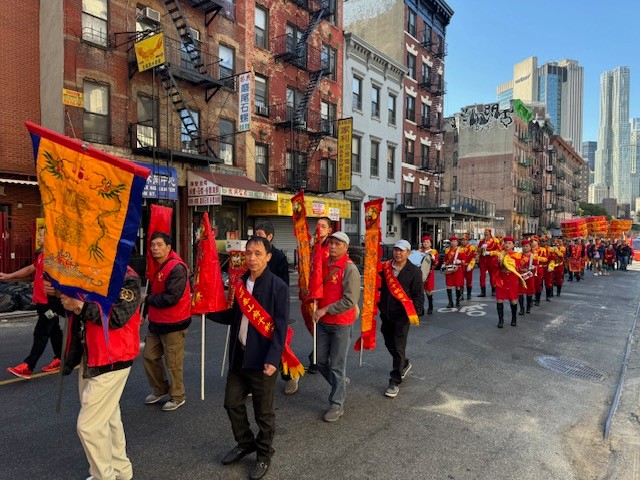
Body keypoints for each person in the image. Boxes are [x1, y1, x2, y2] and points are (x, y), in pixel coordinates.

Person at [208, 236, 289, 480]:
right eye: (249, 253)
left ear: (268, 257)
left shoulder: (277, 286)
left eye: (257, 253)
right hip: (239, 354)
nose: (252, 258)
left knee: (263, 413)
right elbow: (232, 315)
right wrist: (205, 309)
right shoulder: (240, 283)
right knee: (231, 403)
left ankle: (264, 454)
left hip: (262, 358)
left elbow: (281, 326)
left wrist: (273, 359)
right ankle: (246, 442)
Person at [60, 266, 142, 480]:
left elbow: (117, 317)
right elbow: (72, 313)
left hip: (113, 356)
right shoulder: (88, 270)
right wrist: (60, 294)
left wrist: (80, 305)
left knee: (88, 426)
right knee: (108, 418)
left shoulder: (127, 277)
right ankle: (121, 471)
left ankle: (103, 476)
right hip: (91, 355)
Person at [312, 231, 361, 423]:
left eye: (337, 244)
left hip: (341, 323)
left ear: (346, 247)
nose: (332, 247)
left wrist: (325, 309)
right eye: (331, 243)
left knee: (337, 365)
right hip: (324, 323)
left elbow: (350, 300)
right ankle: (339, 385)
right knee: (320, 361)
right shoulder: (324, 264)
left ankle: (337, 403)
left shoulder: (350, 269)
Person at [3, 226, 63, 378]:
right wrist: (9, 276)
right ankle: (61, 358)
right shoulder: (43, 255)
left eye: (41, 236)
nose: (38, 239)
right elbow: (31, 268)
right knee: (54, 331)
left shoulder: (55, 258)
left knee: (41, 333)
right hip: (42, 302)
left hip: (50, 303)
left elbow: (63, 279)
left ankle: (28, 366)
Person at [142, 232, 191, 411]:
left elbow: (171, 297)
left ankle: (178, 396)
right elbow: (153, 291)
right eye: (153, 245)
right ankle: (160, 389)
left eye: (159, 245)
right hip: (156, 322)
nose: (155, 248)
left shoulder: (176, 268)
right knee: (149, 356)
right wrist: (144, 311)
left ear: (169, 247)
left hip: (174, 323)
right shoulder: (156, 266)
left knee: (173, 362)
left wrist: (147, 299)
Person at [254, 221, 296, 395]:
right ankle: (255, 379)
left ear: (270, 237)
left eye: (261, 235)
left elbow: (284, 285)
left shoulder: (278, 257)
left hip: (272, 307)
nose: (257, 238)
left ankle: (290, 375)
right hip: (254, 307)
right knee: (254, 344)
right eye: (255, 234)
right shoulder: (251, 255)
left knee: (278, 345)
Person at [378, 240, 424, 398]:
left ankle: (394, 380)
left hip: (402, 316)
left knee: (398, 346)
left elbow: (418, 294)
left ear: (408, 253)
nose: (398, 253)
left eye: (402, 251)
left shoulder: (414, 271)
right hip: (386, 313)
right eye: (396, 250)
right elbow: (378, 286)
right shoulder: (385, 267)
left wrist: (415, 311)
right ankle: (403, 363)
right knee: (388, 342)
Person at [302, 216, 332, 374]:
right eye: (318, 225)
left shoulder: (331, 247)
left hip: (325, 293)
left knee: (321, 325)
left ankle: (317, 358)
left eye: (323, 226)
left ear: (330, 230)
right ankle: (317, 354)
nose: (319, 228)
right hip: (311, 292)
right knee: (311, 323)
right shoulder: (312, 245)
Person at [491, 236, 522, 328]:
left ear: (513, 245)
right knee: (499, 299)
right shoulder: (499, 254)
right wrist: (497, 260)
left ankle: (514, 318)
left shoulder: (517, 255)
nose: (507, 245)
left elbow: (516, 265)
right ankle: (501, 319)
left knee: (513, 300)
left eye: (509, 243)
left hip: (512, 279)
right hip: (501, 279)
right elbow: (494, 264)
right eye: (506, 243)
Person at [441, 236, 464, 308]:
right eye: (452, 241)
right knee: (448, 285)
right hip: (449, 269)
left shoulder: (461, 250)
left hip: (457, 269)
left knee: (458, 285)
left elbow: (464, 260)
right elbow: (445, 259)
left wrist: (460, 261)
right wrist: (444, 263)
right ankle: (450, 302)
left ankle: (457, 300)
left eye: (455, 241)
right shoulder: (447, 250)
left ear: (457, 242)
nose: (453, 242)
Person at [477, 229, 500, 297]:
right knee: (482, 276)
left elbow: (499, 250)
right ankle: (483, 292)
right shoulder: (482, 241)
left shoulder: (495, 241)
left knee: (492, 275)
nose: (486, 236)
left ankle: (493, 290)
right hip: (483, 260)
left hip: (492, 260)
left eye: (487, 234)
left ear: (490, 234)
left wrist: (490, 253)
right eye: (485, 234)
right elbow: (478, 250)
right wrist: (481, 247)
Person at [419, 235, 438, 314]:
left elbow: (436, 263)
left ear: (430, 243)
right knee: (420, 291)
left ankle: (430, 306)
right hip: (419, 273)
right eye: (424, 242)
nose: (425, 243)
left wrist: (433, 260)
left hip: (429, 273)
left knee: (428, 290)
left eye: (427, 242)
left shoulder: (433, 251)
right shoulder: (420, 251)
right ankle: (421, 308)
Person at [517, 239, 537, 314]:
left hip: (529, 275)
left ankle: (528, 306)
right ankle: (521, 308)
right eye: (524, 246)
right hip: (521, 275)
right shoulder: (519, 255)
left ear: (530, 247)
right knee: (520, 292)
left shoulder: (533, 255)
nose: (525, 248)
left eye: (527, 246)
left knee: (529, 292)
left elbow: (536, 264)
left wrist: (533, 267)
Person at [459, 234, 477, 300]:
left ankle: (469, 294)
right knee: (460, 281)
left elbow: (473, 258)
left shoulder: (472, 248)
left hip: (468, 266)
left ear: (467, 240)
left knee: (469, 281)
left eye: (465, 240)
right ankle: (461, 295)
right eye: (462, 240)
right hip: (460, 267)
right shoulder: (459, 248)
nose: (463, 241)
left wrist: (470, 265)